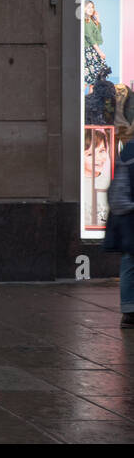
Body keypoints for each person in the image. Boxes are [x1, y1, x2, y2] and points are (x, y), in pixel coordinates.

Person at [105, 138, 134, 329]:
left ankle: (129, 312)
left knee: (129, 264)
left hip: (129, 219)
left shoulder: (127, 153)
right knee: (129, 264)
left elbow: (116, 194)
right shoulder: (129, 153)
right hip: (131, 218)